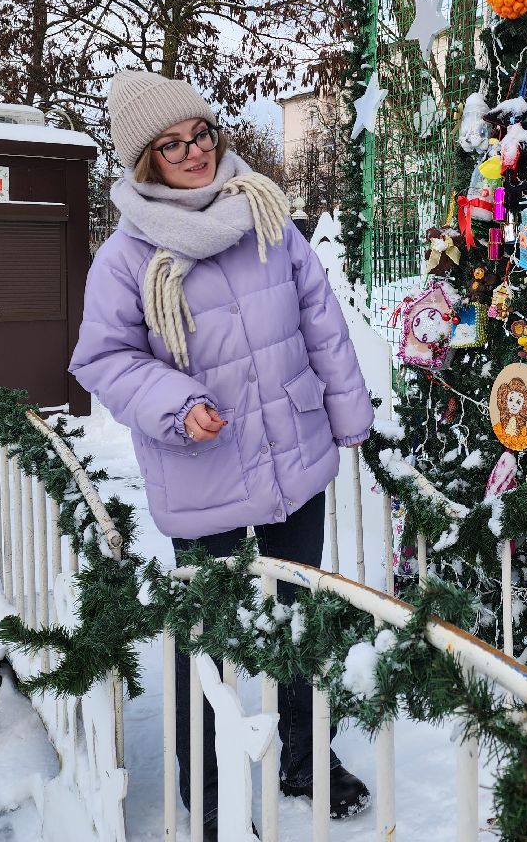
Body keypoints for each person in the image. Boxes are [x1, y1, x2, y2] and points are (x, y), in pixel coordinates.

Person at [69, 70, 375, 837]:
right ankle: (203, 790)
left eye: (200, 134)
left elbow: (319, 317)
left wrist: (347, 409)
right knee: (201, 635)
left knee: (298, 619)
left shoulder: (264, 212)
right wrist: (177, 405)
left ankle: (308, 756)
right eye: (172, 145)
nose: (195, 152)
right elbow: (102, 359)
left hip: (292, 457)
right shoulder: (127, 256)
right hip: (201, 470)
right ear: (147, 160)